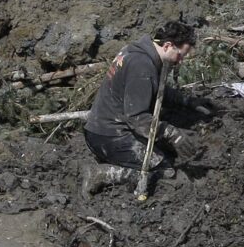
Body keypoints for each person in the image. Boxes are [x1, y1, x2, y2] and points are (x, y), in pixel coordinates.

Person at [80, 20, 209, 197]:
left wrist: (187, 101)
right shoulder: (142, 66)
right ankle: (102, 174)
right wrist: (172, 134)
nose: (180, 61)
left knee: (166, 151)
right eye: (180, 55)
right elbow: (138, 119)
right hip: (109, 136)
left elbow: (155, 89)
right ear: (168, 45)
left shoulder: (142, 51)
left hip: (102, 126)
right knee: (165, 171)